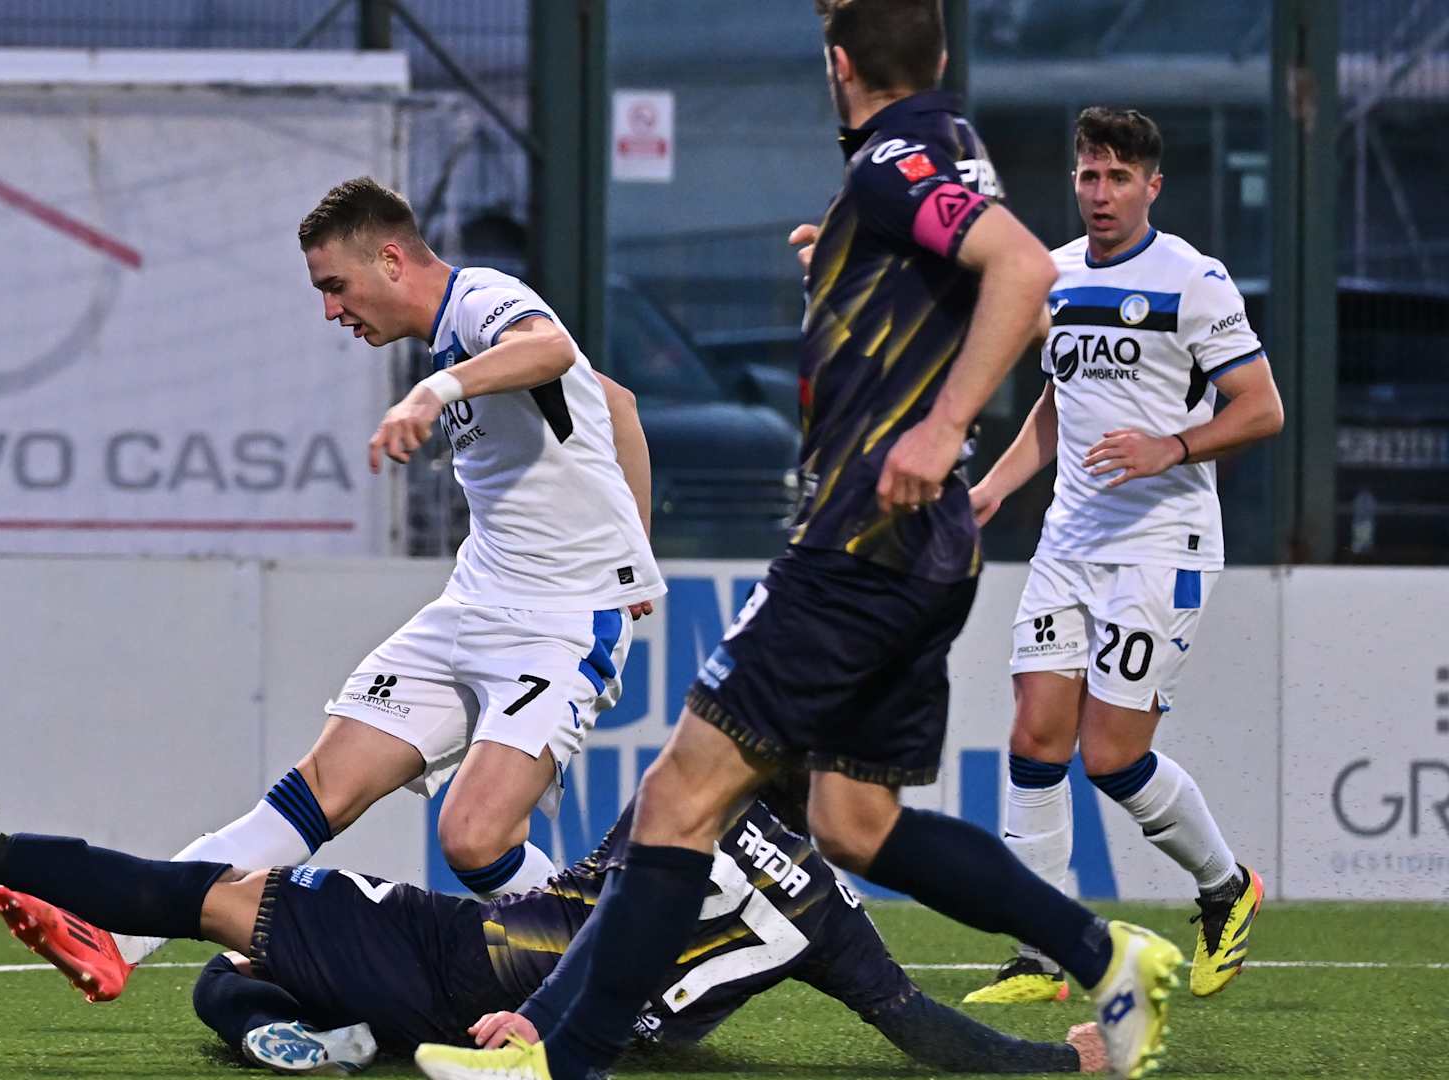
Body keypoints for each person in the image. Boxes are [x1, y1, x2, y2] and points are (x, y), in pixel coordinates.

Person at [412, 5, 1182, 1080]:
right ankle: (1105, 953)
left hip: (856, 545)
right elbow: (973, 282)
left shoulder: (891, 163)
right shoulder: (950, 143)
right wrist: (858, 271)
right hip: (923, 551)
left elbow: (1022, 272)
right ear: (939, 56)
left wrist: (945, 425)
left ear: (839, 63)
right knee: (856, 824)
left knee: (679, 798)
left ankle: (560, 1061)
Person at [33, 177, 666, 1000]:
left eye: (336, 285)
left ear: (392, 259)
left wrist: (435, 393)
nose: (332, 310)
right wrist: (634, 544)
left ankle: (613, 980)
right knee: (315, 793)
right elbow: (616, 401)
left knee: (473, 838)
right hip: (472, 604)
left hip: (558, 624)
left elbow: (549, 349)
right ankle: (121, 934)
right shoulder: (451, 335)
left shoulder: (483, 301)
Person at [0, 731, 1105, 1075]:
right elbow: (918, 1027)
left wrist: (537, 1018)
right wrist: (1060, 1065)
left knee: (198, 897)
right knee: (227, 977)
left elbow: (616, 922)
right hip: (491, 1014)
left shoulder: (687, 801)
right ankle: (311, 1040)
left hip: (472, 959)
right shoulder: (836, 917)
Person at [962, 106, 1280, 1005]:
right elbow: (1057, 405)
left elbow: (1262, 407)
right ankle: (1038, 953)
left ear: (1152, 186)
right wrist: (994, 488)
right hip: (1068, 542)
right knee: (1034, 736)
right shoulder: (1056, 275)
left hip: (1161, 545)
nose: (1101, 193)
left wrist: (1170, 447)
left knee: (1109, 758)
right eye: (1089, 175)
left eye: (1119, 177)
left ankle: (1226, 887)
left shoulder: (1194, 281)